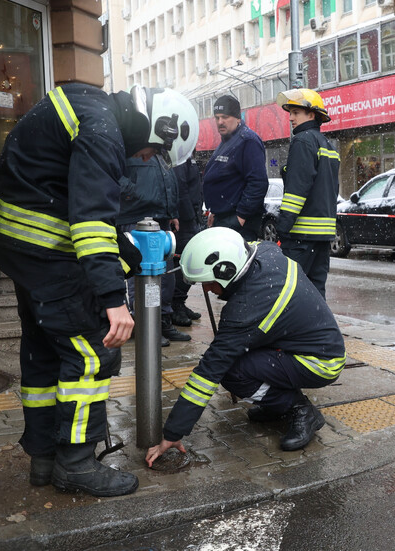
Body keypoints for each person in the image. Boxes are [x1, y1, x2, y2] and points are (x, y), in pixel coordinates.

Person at [0, 83, 199, 497]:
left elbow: (74, 199)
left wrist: (128, 256)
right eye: (153, 150)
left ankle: (44, 459)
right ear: (154, 127)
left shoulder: (90, 106)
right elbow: (89, 220)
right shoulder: (103, 131)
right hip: (44, 247)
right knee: (93, 350)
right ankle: (77, 464)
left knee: (46, 350)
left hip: (18, 243)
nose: (144, 158)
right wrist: (113, 302)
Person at [145, 227, 346, 466]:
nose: (207, 289)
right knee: (241, 360)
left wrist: (173, 433)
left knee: (232, 373)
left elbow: (209, 372)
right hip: (307, 344)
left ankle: (299, 410)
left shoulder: (247, 308)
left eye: (208, 283)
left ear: (226, 271)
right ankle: (276, 403)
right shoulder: (265, 252)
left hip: (320, 362)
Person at [116, 156, 190, 344]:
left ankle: (162, 321)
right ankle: (144, 325)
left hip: (159, 218)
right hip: (135, 216)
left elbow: (166, 181)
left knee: (165, 277)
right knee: (140, 275)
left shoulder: (158, 151)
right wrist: (133, 193)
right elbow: (114, 174)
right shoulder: (129, 142)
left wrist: (171, 213)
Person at [274, 88, 341, 298]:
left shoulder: (302, 140)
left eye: (296, 113)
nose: (291, 118)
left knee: (290, 292)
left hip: (301, 237)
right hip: (322, 236)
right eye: (290, 113)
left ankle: (293, 331)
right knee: (315, 292)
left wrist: (282, 228)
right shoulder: (327, 146)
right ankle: (319, 330)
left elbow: (296, 192)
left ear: (311, 115)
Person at [202, 95, 268, 241]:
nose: (220, 122)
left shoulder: (247, 141)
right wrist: (214, 211)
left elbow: (258, 182)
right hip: (224, 218)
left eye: (225, 117)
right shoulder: (228, 141)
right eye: (217, 118)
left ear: (238, 118)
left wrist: (241, 216)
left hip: (238, 222)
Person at [170, 156, 205, 327]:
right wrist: (190, 214)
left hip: (191, 217)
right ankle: (175, 304)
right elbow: (180, 188)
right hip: (185, 220)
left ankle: (179, 302)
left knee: (186, 262)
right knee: (184, 262)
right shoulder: (180, 157)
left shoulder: (188, 156)